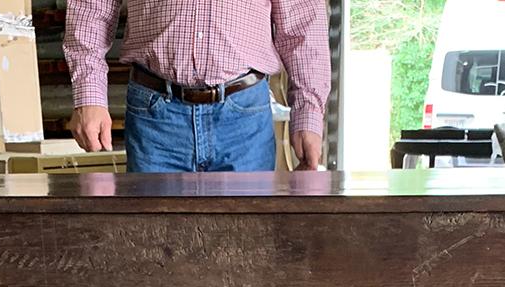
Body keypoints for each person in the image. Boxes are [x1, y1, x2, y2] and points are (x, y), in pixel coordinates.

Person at [64, 0, 330, 173]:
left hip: (244, 121)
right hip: (155, 117)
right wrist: (90, 96)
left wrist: (308, 114)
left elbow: (303, 22)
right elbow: (91, 9)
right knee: (151, 245)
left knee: (245, 245)